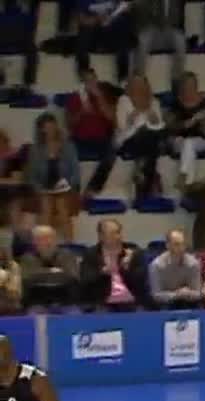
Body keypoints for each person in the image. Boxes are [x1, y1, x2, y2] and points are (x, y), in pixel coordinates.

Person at [63, 68, 119, 199]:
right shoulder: (75, 97)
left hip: (101, 140)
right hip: (79, 139)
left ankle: (92, 188)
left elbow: (113, 120)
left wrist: (100, 99)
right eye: (87, 80)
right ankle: (73, 189)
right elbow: (69, 125)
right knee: (67, 151)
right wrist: (82, 112)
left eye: (93, 79)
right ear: (82, 82)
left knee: (112, 152)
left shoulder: (104, 95)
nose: (90, 83)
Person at [25, 114, 81, 242]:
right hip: (44, 187)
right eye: (47, 127)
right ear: (41, 130)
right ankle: (44, 244)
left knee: (62, 205)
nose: (50, 129)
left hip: (65, 186)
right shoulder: (35, 150)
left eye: (52, 126)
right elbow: (32, 176)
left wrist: (69, 186)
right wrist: (39, 189)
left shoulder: (68, 146)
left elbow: (75, 171)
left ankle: (69, 243)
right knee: (46, 206)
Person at [114, 74, 167, 201]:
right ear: (130, 87)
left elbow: (160, 125)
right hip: (128, 139)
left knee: (151, 136)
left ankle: (141, 175)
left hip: (150, 137)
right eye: (135, 85)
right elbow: (121, 127)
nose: (139, 88)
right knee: (147, 137)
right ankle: (151, 179)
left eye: (141, 84)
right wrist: (133, 116)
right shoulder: (123, 101)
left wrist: (152, 117)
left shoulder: (154, 102)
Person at [79, 218, 148, 312]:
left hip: (131, 301)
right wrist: (102, 272)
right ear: (101, 236)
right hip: (102, 302)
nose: (117, 236)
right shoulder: (91, 254)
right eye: (112, 233)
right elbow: (85, 280)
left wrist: (125, 268)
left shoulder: (134, 252)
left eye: (118, 232)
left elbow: (141, 281)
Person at [167, 71, 205, 187]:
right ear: (182, 87)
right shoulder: (175, 103)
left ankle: (183, 175)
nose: (190, 88)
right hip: (178, 140)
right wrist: (184, 124)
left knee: (190, 144)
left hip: (199, 140)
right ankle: (189, 183)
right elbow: (170, 126)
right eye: (187, 85)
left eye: (192, 85)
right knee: (187, 145)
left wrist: (202, 120)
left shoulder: (204, 103)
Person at [19, 226, 79, 311]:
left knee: (74, 315)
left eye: (51, 238)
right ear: (34, 242)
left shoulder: (67, 255)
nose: (48, 242)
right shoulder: (27, 258)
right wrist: (56, 272)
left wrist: (40, 274)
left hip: (65, 301)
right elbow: (27, 279)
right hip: (37, 302)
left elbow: (72, 276)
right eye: (43, 239)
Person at [75, 0, 135, 83]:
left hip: (113, 31)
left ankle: (123, 78)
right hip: (94, 33)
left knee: (123, 25)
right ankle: (84, 74)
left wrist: (111, 18)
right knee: (84, 33)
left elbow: (127, 8)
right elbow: (81, 19)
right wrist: (97, 20)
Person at [148, 228, 204, 309]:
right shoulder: (156, 265)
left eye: (183, 244)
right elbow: (156, 295)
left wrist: (187, 293)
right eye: (177, 244)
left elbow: (198, 293)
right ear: (167, 245)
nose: (181, 248)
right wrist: (176, 294)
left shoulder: (193, 263)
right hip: (166, 304)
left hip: (189, 302)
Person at [134, 0, 186, 83]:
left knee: (181, 42)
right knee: (143, 42)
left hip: (170, 29)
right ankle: (140, 78)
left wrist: (168, 25)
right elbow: (144, 14)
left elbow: (177, 18)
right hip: (152, 28)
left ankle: (176, 80)